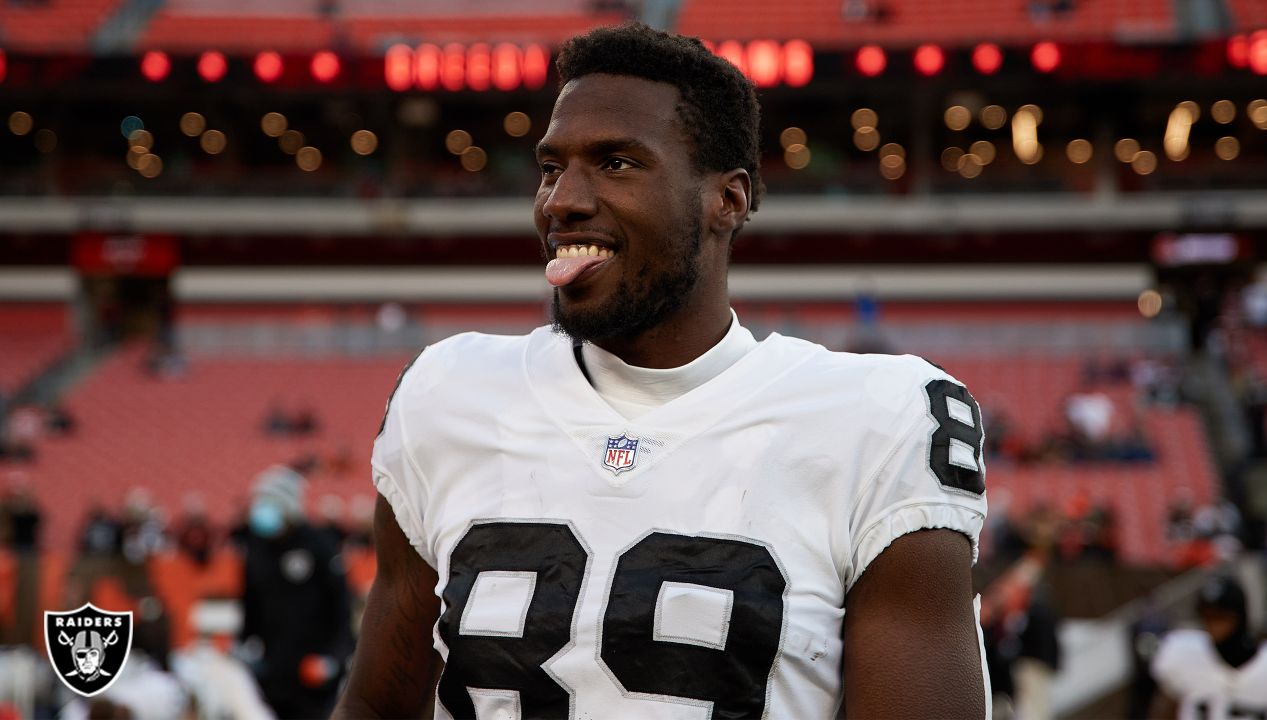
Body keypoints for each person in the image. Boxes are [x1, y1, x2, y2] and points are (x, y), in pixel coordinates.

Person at [335, 22, 989, 719]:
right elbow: (378, 707)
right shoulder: (448, 393)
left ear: (727, 201)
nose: (562, 201)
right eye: (552, 168)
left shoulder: (877, 419)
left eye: (615, 163)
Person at [240, 466, 353, 719]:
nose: (262, 509)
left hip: (313, 669)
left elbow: (341, 606)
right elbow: (250, 602)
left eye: (269, 502)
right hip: (273, 669)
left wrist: (333, 657)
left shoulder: (319, 545)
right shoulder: (256, 548)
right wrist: (246, 643)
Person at [1150, 575, 1267, 718]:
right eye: (1207, 616)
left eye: (1220, 616)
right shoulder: (1181, 651)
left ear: (1238, 616)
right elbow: (1165, 709)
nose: (1213, 624)